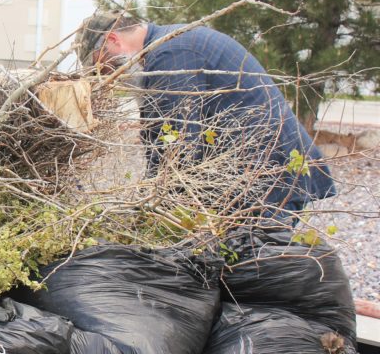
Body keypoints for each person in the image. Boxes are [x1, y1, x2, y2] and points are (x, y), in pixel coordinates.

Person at [75, 12, 336, 219]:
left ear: (112, 40)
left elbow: (177, 146)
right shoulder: (167, 48)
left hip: (267, 177)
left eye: (101, 64)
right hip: (255, 174)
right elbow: (162, 137)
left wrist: (154, 208)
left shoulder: (172, 56)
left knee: (254, 270)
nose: (107, 75)